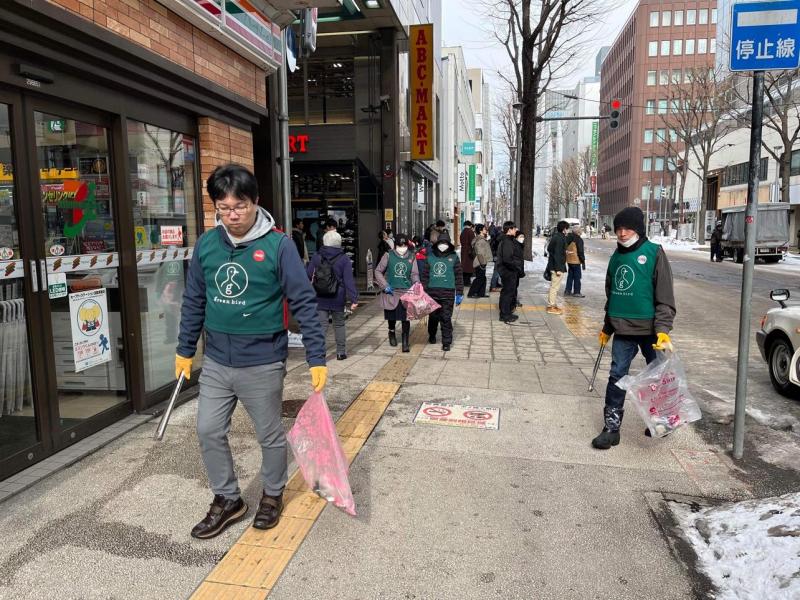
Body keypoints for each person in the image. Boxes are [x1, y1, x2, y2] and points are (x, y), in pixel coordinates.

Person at [175, 164, 327, 539]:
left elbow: (304, 301)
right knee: (208, 429)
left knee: (269, 434)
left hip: (262, 360)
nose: (232, 215)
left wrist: (316, 356)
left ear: (255, 202)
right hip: (217, 360)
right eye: (223, 207)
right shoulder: (208, 246)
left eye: (239, 206)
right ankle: (228, 498)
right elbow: (194, 300)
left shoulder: (279, 245)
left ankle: (272, 494)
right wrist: (184, 350)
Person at [592, 207, 676, 450]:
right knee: (617, 377)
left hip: (651, 331)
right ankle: (611, 428)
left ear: (638, 229)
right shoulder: (616, 257)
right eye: (618, 228)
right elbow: (613, 294)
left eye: (627, 228)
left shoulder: (654, 253)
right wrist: (607, 327)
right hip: (622, 330)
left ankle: (662, 421)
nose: (622, 232)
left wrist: (662, 330)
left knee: (658, 377)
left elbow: (665, 296)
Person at [307, 230, 359, 360]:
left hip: (320, 295)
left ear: (324, 242)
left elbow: (308, 274)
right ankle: (341, 352)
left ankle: (320, 353)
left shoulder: (316, 256)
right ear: (339, 243)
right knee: (339, 324)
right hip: (338, 296)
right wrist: (354, 299)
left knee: (321, 325)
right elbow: (348, 280)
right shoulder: (344, 258)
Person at [374, 233, 419, 352]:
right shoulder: (388, 255)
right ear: (395, 245)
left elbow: (414, 274)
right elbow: (378, 271)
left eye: (404, 244)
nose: (402, 246)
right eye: (400, 244)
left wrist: (417, 284)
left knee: (406, 318)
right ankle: (391, 332)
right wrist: (385, 285)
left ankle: (405, 342)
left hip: (406, 292)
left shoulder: (412, 256)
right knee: (392, 316)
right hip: (391, 292)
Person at [421, 230, 463, 351]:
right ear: (437, 243)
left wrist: (459, 293)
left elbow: (458, 276)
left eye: (445, 243)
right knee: (433, 317)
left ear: (449, 244)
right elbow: (425, 276)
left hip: (448, 294)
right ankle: (432, 334)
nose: (443, 245)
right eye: (441, 242)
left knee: (446, 318)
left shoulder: (454, 257)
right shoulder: (430, 257)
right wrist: (423, 291)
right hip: (432, 293)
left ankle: (446, 342)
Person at [496, 221, 523, 323]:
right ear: (509, 230)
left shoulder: (507, 240)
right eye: (514, 228)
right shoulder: (507, 241)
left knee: (506, 292)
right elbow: (507, 259)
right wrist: (515, 266)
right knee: (508, 293)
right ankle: (505, 314)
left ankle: (505, 312)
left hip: (507, 270)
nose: (516, 230)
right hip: (508, 271)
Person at [545, 221, 570, 314]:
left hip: (554, 265)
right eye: (567, 228)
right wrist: (558, 269)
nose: (568, 230)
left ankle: (552, 305)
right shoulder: (559, 238)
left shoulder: (556, 236)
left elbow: (550, 249)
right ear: (564, 229)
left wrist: (564, 252)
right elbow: (557, 255)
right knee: (554, 287)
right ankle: (551, 306)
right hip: (557, 267)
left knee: (554, 286)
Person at [468, 224, 492, 298]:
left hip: (481, 261)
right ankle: (471, 293)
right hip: (479, 262)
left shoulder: (481, 239)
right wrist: (482, 263)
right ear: (480, 230)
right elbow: (480, 253)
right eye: (484, 229)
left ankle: (481, 293)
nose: (486, 230)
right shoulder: (480, 240)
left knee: (482, 277)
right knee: (480, 278)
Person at [564, 226, 586, 298]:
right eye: (580, 231)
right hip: (576, 260)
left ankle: (567, 290)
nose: (581, 232)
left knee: (570, 276)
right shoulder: (578, 239)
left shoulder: (568, 237)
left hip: (569, 260)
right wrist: (583, 261)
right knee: (577, 277)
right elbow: (580, 251)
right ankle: (577, 292)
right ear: (578, 232)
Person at [460, 220, 476, 287]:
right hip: (469, 251)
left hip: (463, 250)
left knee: (464, 265)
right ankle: (467, 282)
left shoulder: (463, 231)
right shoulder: (470, 231)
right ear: (470, 225)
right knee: (469, 267)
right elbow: (473, 242)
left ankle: (464, 281)